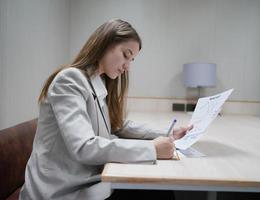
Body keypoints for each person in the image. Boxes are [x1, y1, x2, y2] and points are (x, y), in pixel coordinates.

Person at [19, 19, 192, 200]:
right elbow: (84, 147)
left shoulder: (98, 82)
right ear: (106, 43)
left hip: (83, 179)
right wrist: (151, 149)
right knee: (159, 193)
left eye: (131, 60)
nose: (127, 67)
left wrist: (170, 132)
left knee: (159, 191)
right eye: (126, 55)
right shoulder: (70, 80)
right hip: (59, 190)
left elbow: (118, 126)